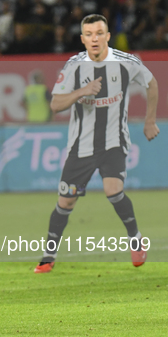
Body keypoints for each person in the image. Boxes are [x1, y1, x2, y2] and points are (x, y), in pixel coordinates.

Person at [34, 14, 159, 273]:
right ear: (82, 39)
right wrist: (81, 91)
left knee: (113, 190)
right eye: (89, 34)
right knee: (66, 202)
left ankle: (135, 240)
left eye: (99, 33)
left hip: (114, 141)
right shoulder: (73, 67)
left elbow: (151, 83)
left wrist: (149, 121)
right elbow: (56, 105)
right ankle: (48, 257)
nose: (94, 38)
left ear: (107, 36)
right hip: (81, 147)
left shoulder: (126, 62)